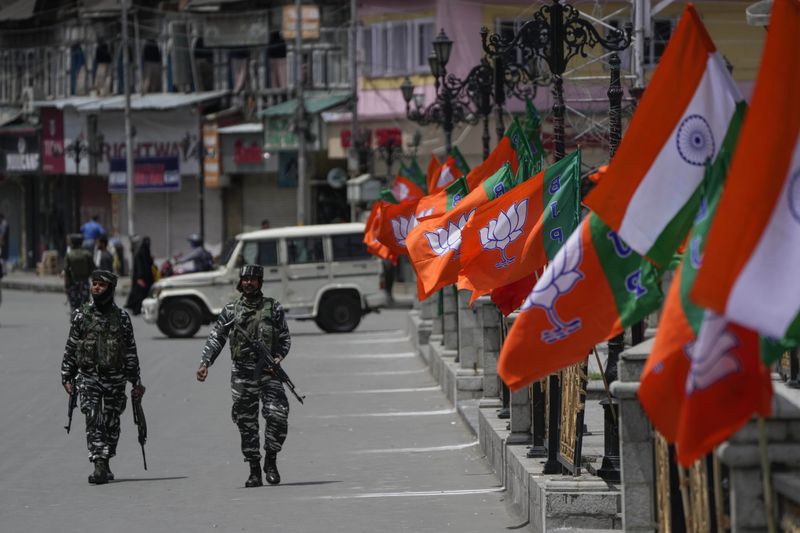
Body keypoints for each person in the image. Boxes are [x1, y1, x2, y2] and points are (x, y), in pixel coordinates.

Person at [195, 264, 291, 487]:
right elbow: (216, 338)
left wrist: (278, 356)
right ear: (240, 281)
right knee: (246, 423)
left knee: (278, 416)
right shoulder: (231, 310)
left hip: (269, 372)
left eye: (253, 279)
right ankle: (254, 470)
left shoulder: (273, 308)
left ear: (260, 282)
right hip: (242, 374)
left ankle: (271, 460)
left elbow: (285, 338)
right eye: (245, 279)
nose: (248, 282)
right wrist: (205, 363)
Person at [61, 270, 146, 485]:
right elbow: (71, 347)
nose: (96, 288)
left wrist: (135, 381)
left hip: (115, 378)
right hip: (88, 377)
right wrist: (66, 376)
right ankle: (98, 462)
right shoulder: (81, 315)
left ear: (111, 289)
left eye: (101, 285)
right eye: (94, 284)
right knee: (93, 417)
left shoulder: (122, 318)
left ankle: (106, 460)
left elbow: (130, 351)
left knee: (111, 422)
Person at [64, 233, 95, 312]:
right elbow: (93, 269)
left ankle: (75, 320)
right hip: (85, 283)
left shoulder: (69, 254)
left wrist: (66, 286)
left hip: (73, 284)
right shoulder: (87, 254)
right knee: (86, 306)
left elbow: (66, 272)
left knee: (74, 306)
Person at [125, 235, 154, 315]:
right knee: (139, 294)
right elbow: (139, 266)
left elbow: (149, 264)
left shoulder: (146, 251)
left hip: (146, 277)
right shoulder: (140, 253)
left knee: (144, 293)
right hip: (140, 278)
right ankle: (136, 309)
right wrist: (140, 278)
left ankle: (141, 309)